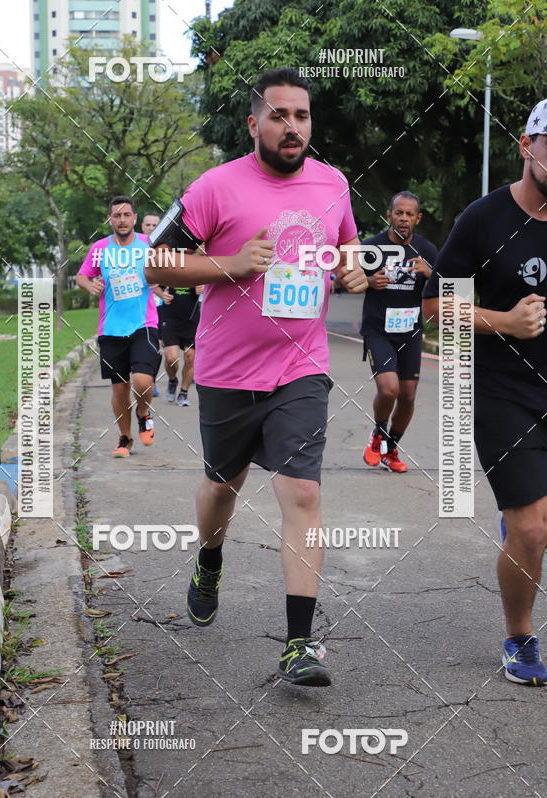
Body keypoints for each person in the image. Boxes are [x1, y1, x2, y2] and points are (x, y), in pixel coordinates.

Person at [146, 68, 367, 687]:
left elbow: (346, 246)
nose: (292, 126)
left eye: (301, 115)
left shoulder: (333, 183)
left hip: (302, 366)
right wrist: (232, 264)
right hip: (227, 371)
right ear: (254, 123)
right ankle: (209, 558)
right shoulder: (216, 187)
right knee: (223, 487)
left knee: (303, 495)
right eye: (278, 115)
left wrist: (351, 270)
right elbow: (156, 262)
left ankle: (299, 645)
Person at [422, 99, 547, 685]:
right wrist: (506, 322)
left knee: (535, 525)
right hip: (502, 393)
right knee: (532, 528)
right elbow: (434, 305)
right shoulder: (484, 218)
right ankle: (519, 637)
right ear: (527, 145)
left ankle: (520, 527)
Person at [76, 196, 161, 457]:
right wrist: (90, 285)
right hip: (111, 328)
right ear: (110, 219)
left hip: (144, 325)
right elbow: (82, 276)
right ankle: (125, 438)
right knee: (120, 388)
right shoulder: (100, 248)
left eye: (126, 215)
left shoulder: (149, 244)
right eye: (117, 215)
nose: (122, 220)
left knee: (143, 381)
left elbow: (169, 269)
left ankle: (143, 412)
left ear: (134, 218)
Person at [361, 192, 438, 472]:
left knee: (407, 395)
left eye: (409, 214)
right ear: (389, 215)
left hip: (410, 331)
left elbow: (451, 287)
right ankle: (378, 434)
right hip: (378, 330)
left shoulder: (427, 250)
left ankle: (390, 449)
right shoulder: (371, 247)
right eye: (398, 213)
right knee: (389, 388)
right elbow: (345, 281)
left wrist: (430, 273)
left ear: (418, 218)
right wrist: (368, 281)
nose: (403, 218)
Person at [160, 284, 202, 406]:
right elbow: (155, 285)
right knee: (171, 359)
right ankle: (172, 380)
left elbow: (213, 282)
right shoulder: (170, 271)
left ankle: (184, 392)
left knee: (190, 357)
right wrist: (162, 294)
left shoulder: (198, 273)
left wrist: (205, 287)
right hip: (170, 320)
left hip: (192, 321)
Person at [142, 212, 162, 397]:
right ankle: (149, 380)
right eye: (148, 225)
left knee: (160, 350)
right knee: (151, 347)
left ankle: (151, 379)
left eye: (155, 225)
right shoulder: (136, 249)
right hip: (145, 309)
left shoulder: (166, 248)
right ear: (142, 226)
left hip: (165, 307)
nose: (151, 228)